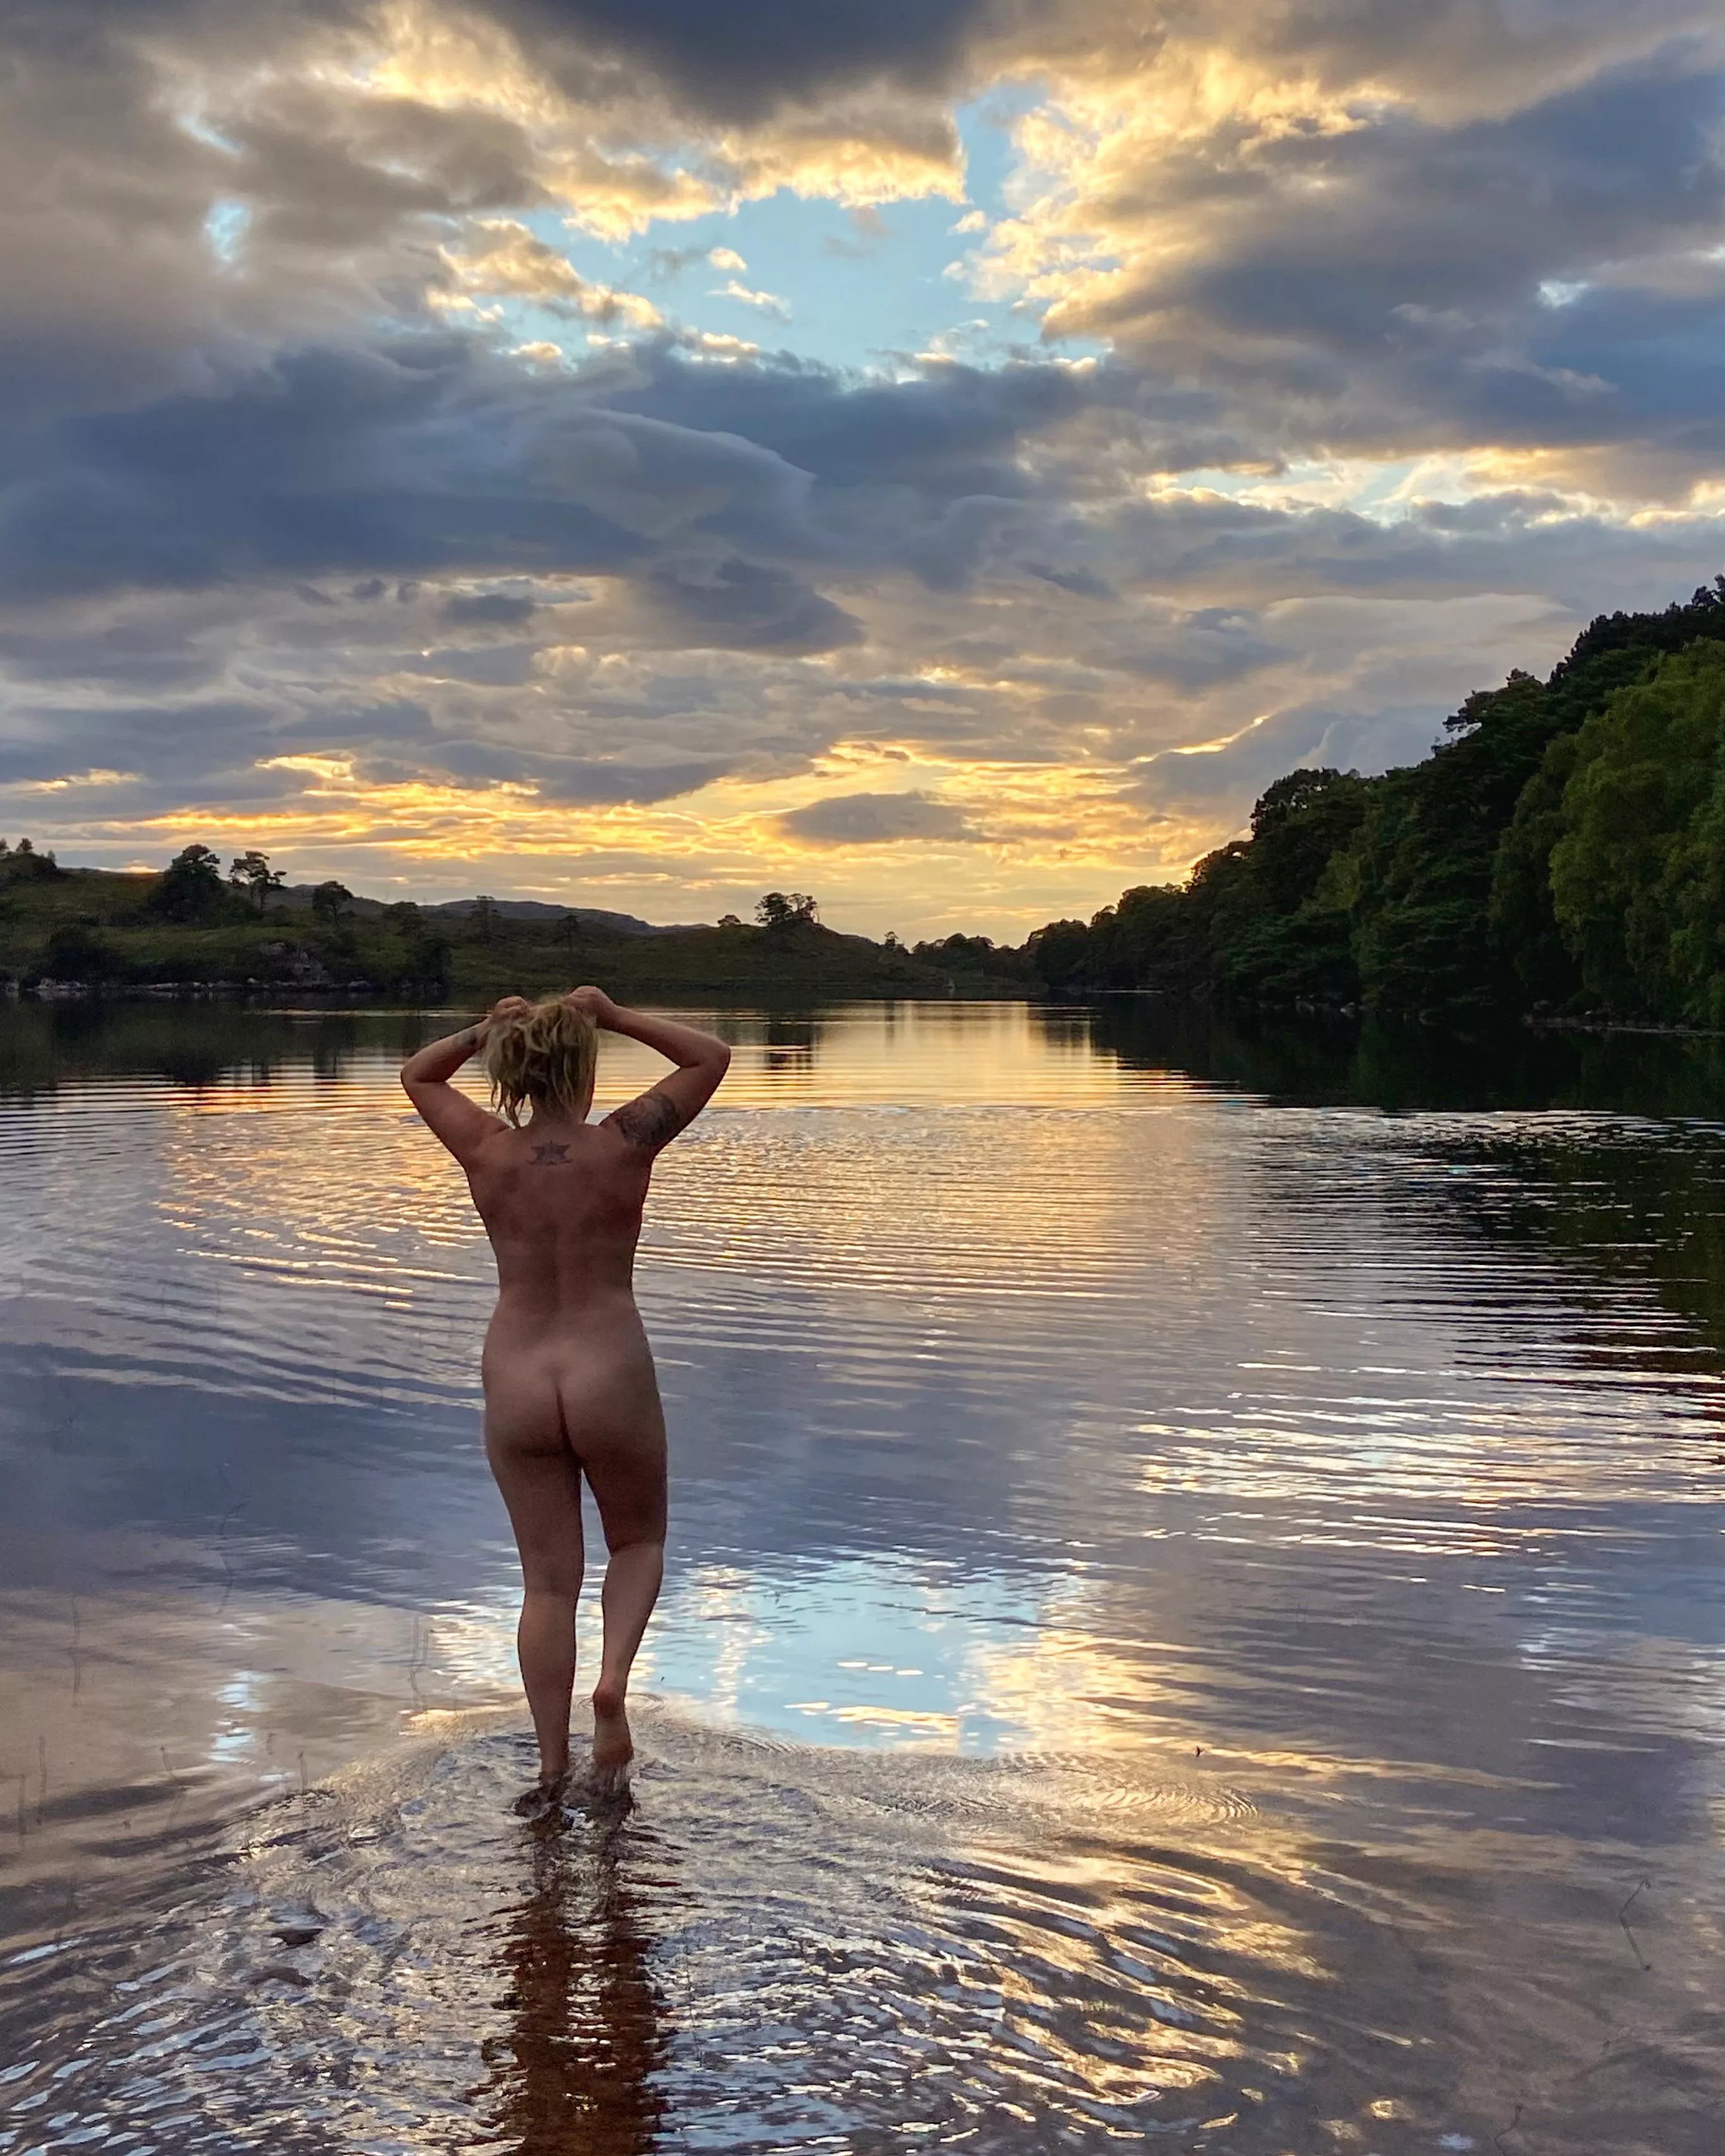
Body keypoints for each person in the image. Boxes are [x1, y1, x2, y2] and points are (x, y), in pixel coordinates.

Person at [401, 987, 731, 1812]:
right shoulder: (622, 1143)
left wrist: (486, 1028)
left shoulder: (485, 1148)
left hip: (516, 1373)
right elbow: (710, 1057)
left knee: (547, 1584)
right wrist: (615, 1013)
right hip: (606, 1365)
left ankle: (551, 1770)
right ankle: (612, 1687)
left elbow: (418, 1073)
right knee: (637, 1539)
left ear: (513, 1069)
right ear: (585, 1069)